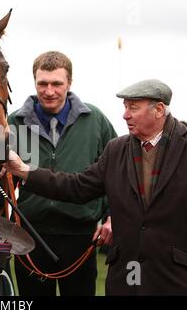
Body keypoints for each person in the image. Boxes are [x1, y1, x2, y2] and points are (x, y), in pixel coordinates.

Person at [6, 79, 187, 296]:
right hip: (126, 280)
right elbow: (76, 187)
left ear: (159, 110)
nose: (125, 115)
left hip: (177, 281)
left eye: (133, 107)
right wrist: (23, 169)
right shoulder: (116, 149)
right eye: (125, 107)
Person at [7, 51, 116, 296]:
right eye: (42, 84)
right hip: (30, 236)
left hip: (82, 236)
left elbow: (118, 174)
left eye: (57, 83)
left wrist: (112, 216)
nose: (49, 91)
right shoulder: (13, 122)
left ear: (70, 82)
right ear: (34, 82)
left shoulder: (96, 120)